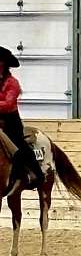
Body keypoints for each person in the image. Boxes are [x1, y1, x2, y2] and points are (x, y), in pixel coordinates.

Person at [0, 46, 45, 187]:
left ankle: (34, 173)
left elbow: (8, 104)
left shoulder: (12, 83)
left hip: (9, 120)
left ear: (3, 64)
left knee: (18, 144)